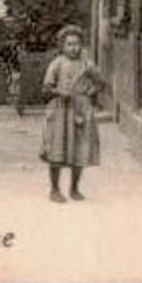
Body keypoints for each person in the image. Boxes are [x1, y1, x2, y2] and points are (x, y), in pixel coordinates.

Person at [40, 23, 104, 202]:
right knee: (57, 148)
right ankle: (54, 189)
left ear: (81, 45)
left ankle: (74, 188)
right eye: (69, 44)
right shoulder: (57, 64)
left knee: (79, 149)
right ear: (62, 46)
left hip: (81, 112)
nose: (73, 48)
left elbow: (101, 83)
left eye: (76, 44)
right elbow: (46, 88)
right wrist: (60, 92)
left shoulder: (87, 64)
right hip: (60, 110)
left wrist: (91, 92)